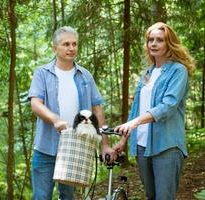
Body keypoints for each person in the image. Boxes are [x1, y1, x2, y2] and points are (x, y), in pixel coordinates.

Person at [28, 26, 117, 200]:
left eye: (74, 44)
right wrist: (55, 119)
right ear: (55, 48)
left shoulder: (85, 75)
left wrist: (104, 144)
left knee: (68, 197)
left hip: (75, 148)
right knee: (41, 197)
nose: (71, 48)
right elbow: (35, 104)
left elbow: (97, 109)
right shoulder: (42, 74)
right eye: (66, 44)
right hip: (46, 148)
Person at [113, 22, 195, 200]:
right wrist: (123, 140)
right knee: (150, 196)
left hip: (167, 145)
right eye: (151, 40)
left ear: (169, 43)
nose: (154, 44)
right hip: (143, 145)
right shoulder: (148, 73)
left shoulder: (178, 71)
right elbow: (136, 109)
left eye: (160, 40)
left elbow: (168, 106)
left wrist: (135, 122)